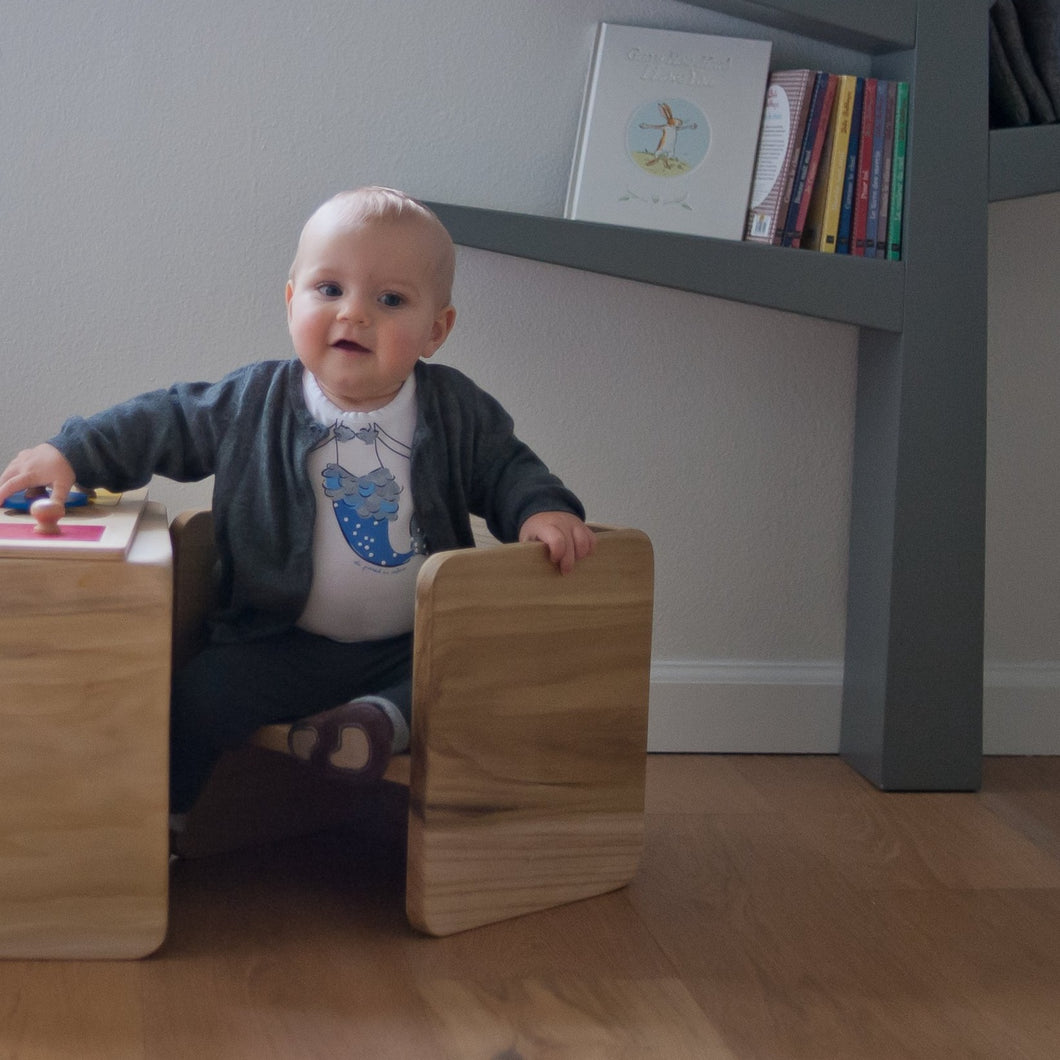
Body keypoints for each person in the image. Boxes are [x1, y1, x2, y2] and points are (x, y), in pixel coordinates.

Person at [0, 186, 595, 819]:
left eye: (390, 299)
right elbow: (164, 420)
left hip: (416, 641)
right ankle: (165, 823)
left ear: (436, 331)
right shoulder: (252, 402)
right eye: (329, 290)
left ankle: (376, 721)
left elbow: (506, 465)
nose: (354, 315)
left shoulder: (454, 410)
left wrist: (541, 509)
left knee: (476, 675)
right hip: (282, 642)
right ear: (291, 302)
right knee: (199, 696)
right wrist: (72, 453)